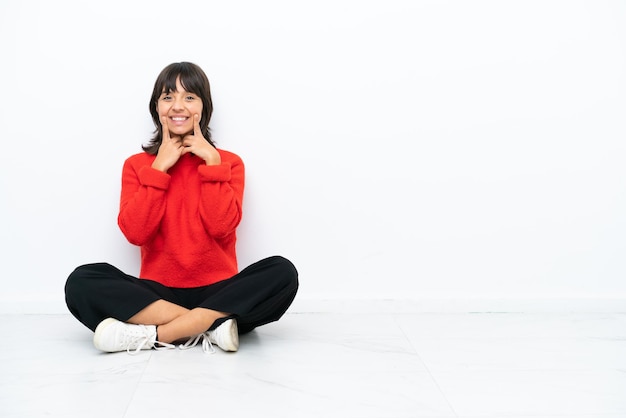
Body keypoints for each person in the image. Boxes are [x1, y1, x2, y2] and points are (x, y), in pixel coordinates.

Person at [64, 62, 299, 354]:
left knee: (282, 272)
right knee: (81, 281)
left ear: (204, 106)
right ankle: (212, 326)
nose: (178, 106)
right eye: (167, 97)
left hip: (220, 290)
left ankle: (154, 335)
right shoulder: (137, 166)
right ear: (157, 107)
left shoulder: (228, 163)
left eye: (189, 97)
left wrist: (212, 164)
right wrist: (159, 167)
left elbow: (220, 226)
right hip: (157, 295)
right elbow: (136, 232)